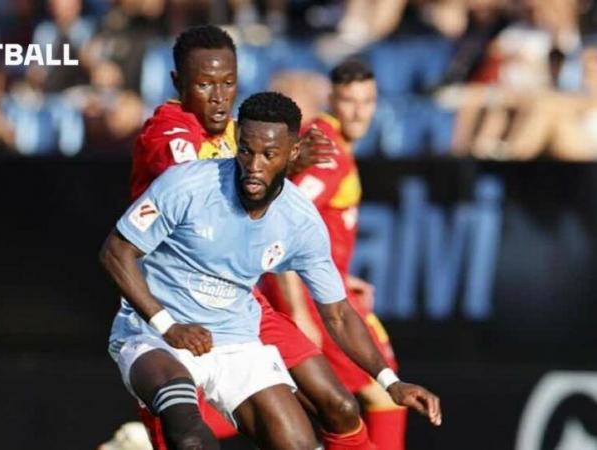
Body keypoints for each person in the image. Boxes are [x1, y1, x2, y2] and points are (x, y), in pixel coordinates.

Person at [126, 25, 441, 449]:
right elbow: (201, 193)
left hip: (244, 301)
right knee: (191, 433)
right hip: (177, 299)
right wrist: (302, 308)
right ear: (179, 83)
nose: (219, 96)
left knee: (340, 407)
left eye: (228, 83)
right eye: (204, 84)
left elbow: (274, 213)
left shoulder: (244, 137)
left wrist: (334, 277)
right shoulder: (173, 134)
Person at [261, 60, 407, 450]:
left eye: (368, 100)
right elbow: (283, 228)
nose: (359, 111)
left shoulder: (327, 141)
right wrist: (299, 313)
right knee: (382, 393)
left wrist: (343, 273)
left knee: (318, 402)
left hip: (325, 285)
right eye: (349, 100)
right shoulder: (329, 152)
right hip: (313, 296)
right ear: (332, 99)